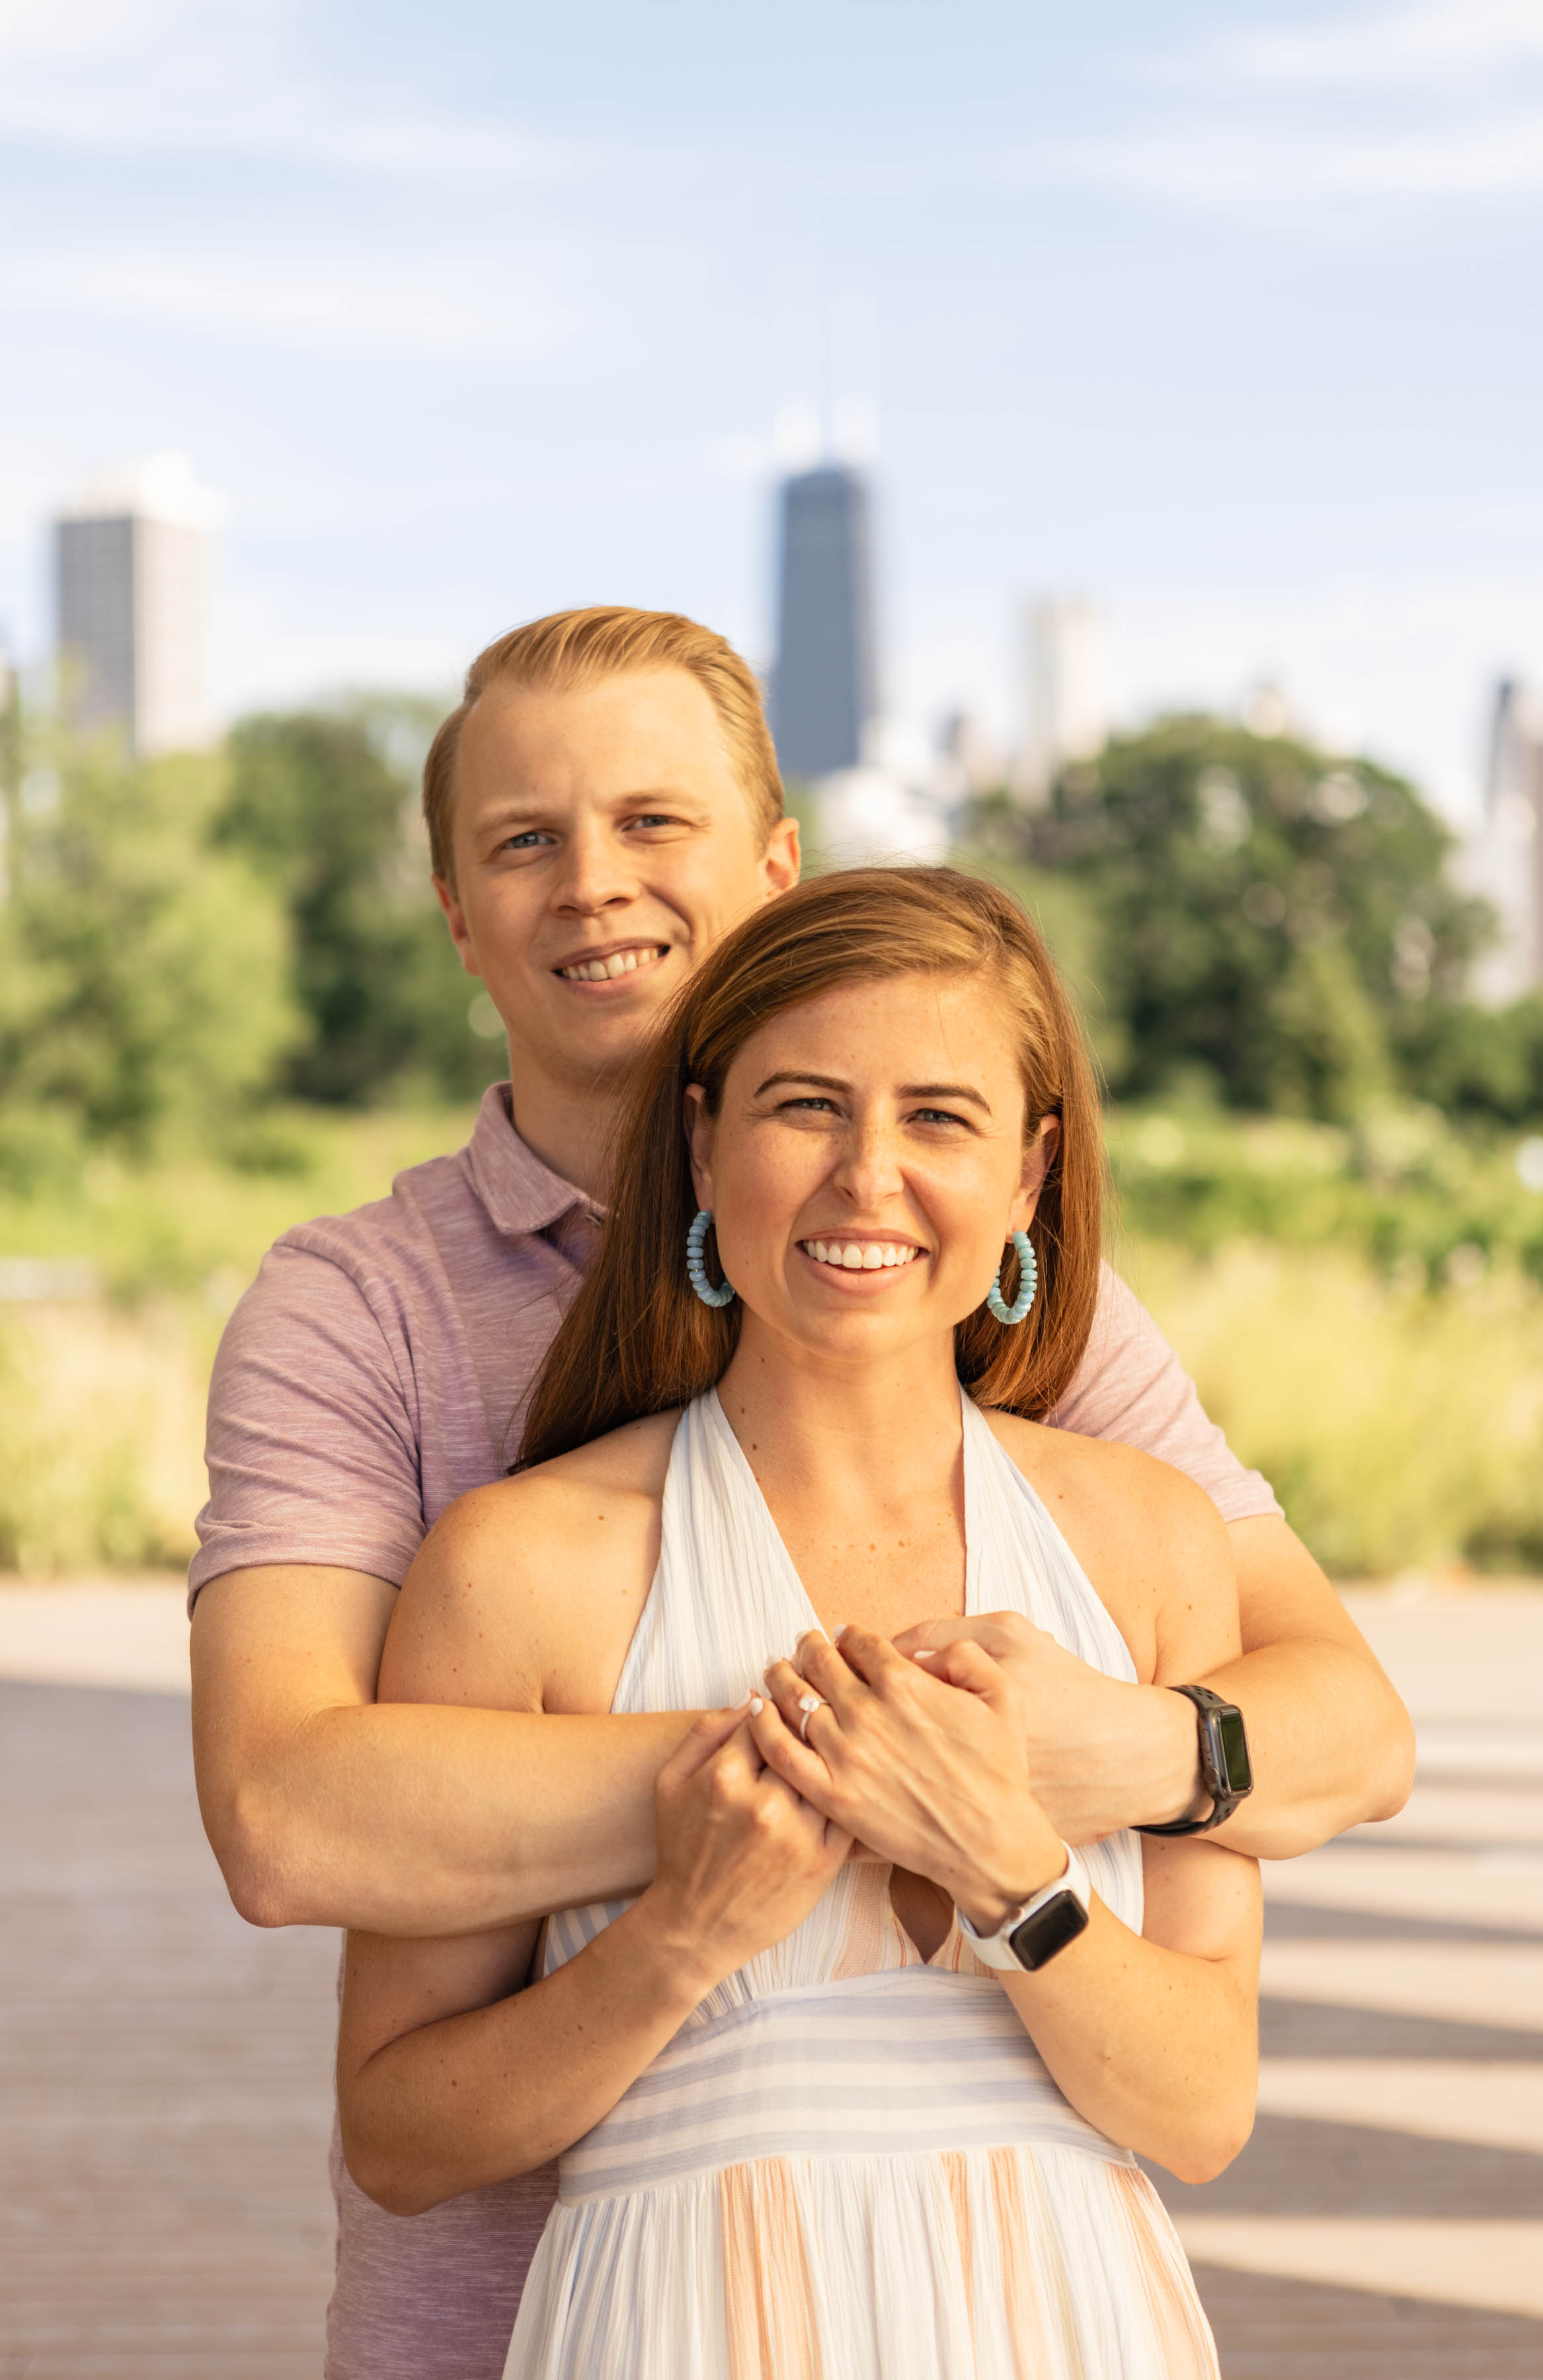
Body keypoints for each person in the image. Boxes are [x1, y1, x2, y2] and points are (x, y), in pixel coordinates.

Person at [187, 606, 1411, 2380]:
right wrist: (839, 1771)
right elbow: (291, 1817)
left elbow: (1346, 1733)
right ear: (455, 913)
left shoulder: (1035, 1325)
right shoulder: (360, 1319)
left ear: (775, 867)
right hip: (527, 2312)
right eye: (525, 839)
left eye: (653, 822)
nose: (594, 884)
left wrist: (1108, 1768)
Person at [336, 866, 1261, 2378]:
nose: (868, 1178)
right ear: (703, 1144)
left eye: (940, 1119)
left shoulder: (1149, 1542)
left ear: (1031, 1177)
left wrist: (1009, 1870)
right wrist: (679, 1938)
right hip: (676, 2326)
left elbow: (1203, 2110)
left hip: (1082, 2326)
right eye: (806, 1108)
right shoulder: (524, 1567)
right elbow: (397, 2139)